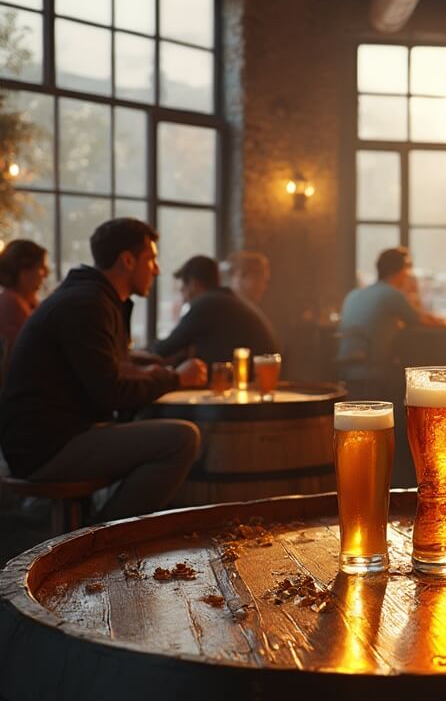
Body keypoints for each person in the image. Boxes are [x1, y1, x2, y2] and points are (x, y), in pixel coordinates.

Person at [0, 218, 207, 521]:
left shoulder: (89, 296)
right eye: (151, 259)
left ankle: (98, 530)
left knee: (155, 426)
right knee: (181, 439)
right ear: (127, 260)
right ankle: (101, 540)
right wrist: (176, 378)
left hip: (44, 438)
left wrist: (143, 368)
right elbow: (111, 393)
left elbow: (104, 371)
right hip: (45, 447)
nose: (157, 269)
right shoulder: (88, 304)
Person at [337, 247, 444, 390]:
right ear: (401, 272)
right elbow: (419, 320)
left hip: (345, 367)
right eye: (406, 271)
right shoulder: (392, 294)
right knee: (415, 370)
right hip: (373, 369)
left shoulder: (354, 294)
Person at [150, 255, 279, 367]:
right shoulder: (224, 300)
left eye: (183, 289)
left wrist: (135, 354)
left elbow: (166, 348)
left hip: (247, 383)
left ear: (194, 285)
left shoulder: (206, 304)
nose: (183, 297)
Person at [0, 239, 49, 356]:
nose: (45, 274)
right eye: (40, 268)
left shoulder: (27, 300)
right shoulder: (10, 302)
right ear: (23, 271)